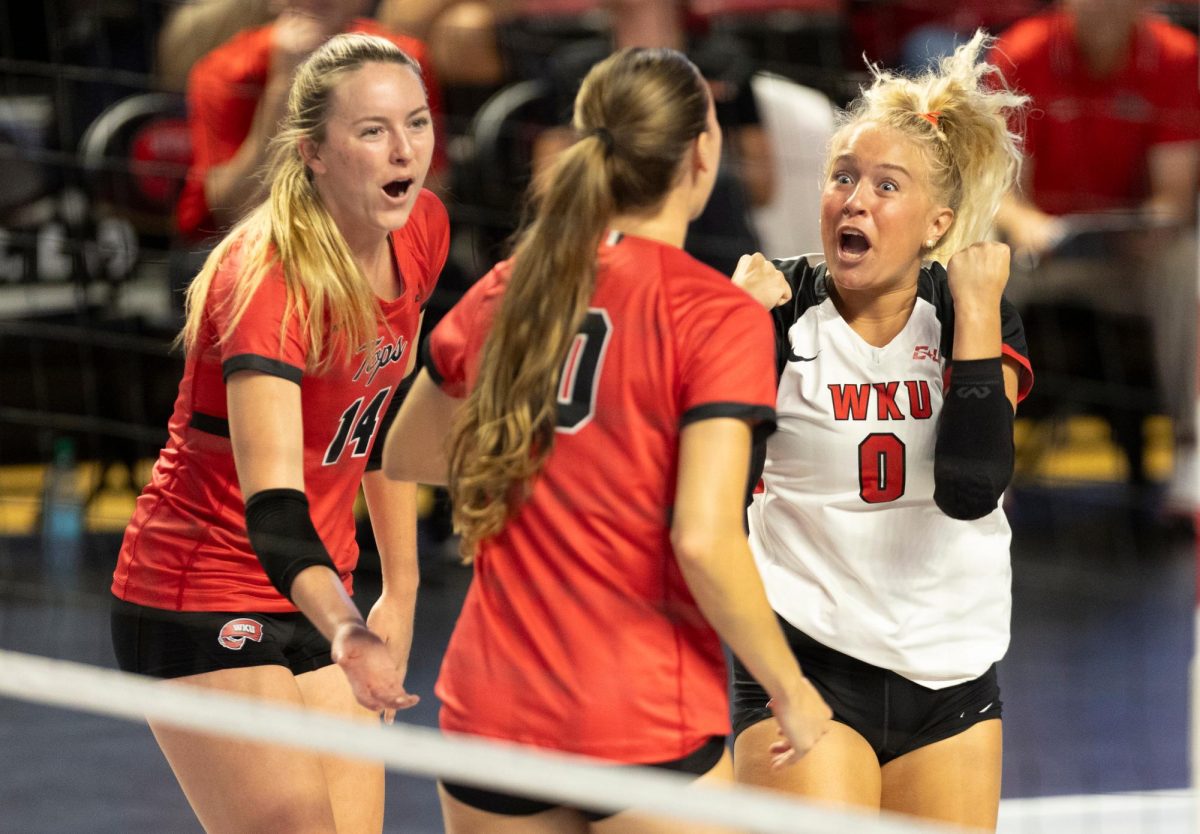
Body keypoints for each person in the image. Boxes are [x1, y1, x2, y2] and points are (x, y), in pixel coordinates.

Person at [381, 46, 831, 832]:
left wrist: (551, 460)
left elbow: (406, 453)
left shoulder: (511, 287)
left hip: (496, 703)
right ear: (703, 153)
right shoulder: (714, 316)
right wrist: (790, 690)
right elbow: (702, 538)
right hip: (639, 703)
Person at [110, 33, 448, 834]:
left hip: (314, 588)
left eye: (418, 122)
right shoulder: (270, 279)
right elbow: (275, 512)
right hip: (202, 588)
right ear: (315, 154)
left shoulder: (421, 230)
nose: (405, 150)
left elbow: (386, 413)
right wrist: (349, 628)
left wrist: (399, 589)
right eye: (372, 131)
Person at [729, 32, 1034, 832]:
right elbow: (712, 500)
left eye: (885, 185)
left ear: (938, 222)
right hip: (804, 658)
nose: (854, 201)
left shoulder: (975, 306)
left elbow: (972, 487)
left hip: (953, 671)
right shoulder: (779, 304)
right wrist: (740, 334)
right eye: (842, 178)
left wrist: (973, 317)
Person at [990, 0, 1200, 506]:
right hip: (1040, 255)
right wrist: (1030, 226)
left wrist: (1150, 226)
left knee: (1187, 263)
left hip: (1128, 258)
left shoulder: (1178, 57)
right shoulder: (1019, 54)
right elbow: (1000, 191)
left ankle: (1191, 447)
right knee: (982, 260)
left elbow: (1173, 194)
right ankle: (985, 450)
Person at [175, 0, 447, 245]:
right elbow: (233, 211)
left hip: (371, 244)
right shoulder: (222, 70)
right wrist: (284, 85)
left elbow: (427, 198)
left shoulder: (403, 59)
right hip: (255, 245)